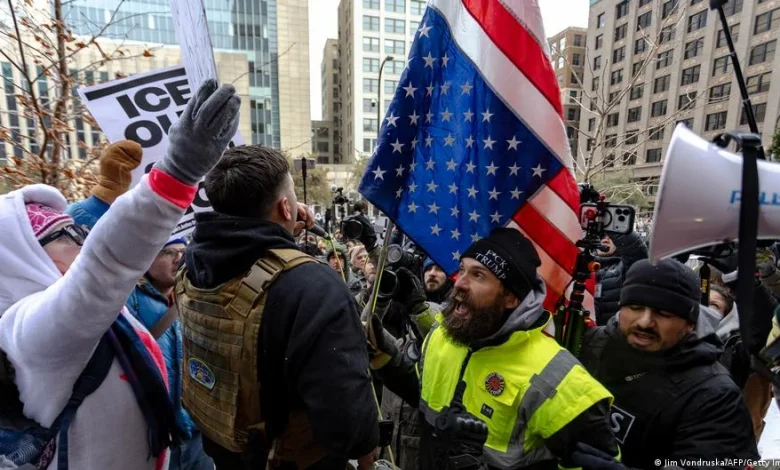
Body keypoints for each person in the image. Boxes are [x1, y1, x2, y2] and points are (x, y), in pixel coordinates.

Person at [0, 80, 240, 469]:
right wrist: (176, 175)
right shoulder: (27, 332)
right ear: (25, 256)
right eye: (67, 233)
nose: (82, 236)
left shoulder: (95, 314)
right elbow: (104, 263)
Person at [176, 145, 379, 469]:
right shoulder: (314, 288)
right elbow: (350, 429)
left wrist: (280, 236)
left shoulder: (191, 263)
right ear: (286, 207)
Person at [369, 228, 618, 469]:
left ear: (511, 298)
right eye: (463, 270)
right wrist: (384, 356)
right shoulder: (444, 335)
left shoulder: (557, 377)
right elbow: (423, 397)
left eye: (478, 275)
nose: (459, 284)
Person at [576, 259, 760, 469]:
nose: (645, 322)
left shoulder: (715, 396)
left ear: (690, 324)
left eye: (663, 314)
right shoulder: (591, 343)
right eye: (635, 307)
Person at [126, 237, 214, 470]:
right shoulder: (127, 299)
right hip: (153, 436)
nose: (179, 258)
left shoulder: (197, 294)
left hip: (197, 432)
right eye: (167, 252)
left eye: (183, 251)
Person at [594, 232, 647, 325]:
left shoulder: (624, 268)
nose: (605, 239)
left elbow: (635, 251)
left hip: (610, 335)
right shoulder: (582, 263)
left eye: (610, 237)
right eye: (602, 236)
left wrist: (614, 227)